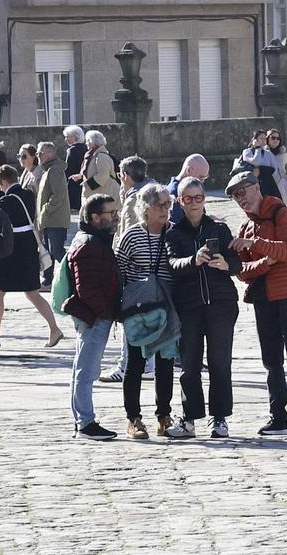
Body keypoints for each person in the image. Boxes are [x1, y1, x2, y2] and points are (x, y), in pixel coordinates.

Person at [227, 170, 287, 437]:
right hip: (263, 298)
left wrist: (256, 244)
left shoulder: (282, 214)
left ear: (256, 187)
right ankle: (278, 417)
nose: (240, 200)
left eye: (243, 192)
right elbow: (243, 271)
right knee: (272, 361)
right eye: (235, 197)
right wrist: (265, 262)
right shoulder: (246, 226)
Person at [164, 177, 241, 439]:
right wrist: (193, 261)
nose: (194, 203)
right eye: (188, 198)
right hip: (190, 307)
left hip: (221, 304)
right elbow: (172, 264)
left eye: (198, 198)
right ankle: (189, 419)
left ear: (204, 199)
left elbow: (237, 263)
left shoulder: (219, 228)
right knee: (190, 365)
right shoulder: (174, 233)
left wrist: (225, 265)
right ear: (180, 201)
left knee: (220, 363)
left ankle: (219, 419)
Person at [115, 183, 177, 440]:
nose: (166, 210)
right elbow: (118, 270)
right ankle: (133, 419)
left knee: (165, 362)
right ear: (146, 208)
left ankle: (164, 415)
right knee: (135, 364)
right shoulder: (132, 235)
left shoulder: (174, 233)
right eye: (161, 205)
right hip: (138, 310)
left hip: (166, 308)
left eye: (168, 205)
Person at [65, 193, 122, 441]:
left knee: (82, 368)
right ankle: (85, 423)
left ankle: (82, 420)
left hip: (94, 314)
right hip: (93, 316)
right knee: (86, 371)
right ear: (95, 218)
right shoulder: (89, 244)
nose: (116, 217)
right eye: (111, 214)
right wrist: (107, 313)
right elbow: (86, 289)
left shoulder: (95, 239)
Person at [0, 165, 64, 348]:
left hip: (11, 249)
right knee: (32, 292)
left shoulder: (7, 200)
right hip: (29, 245)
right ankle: (54, 328)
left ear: (3, 182)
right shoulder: (29, 194)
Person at [36, 141, 71, 289]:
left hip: (55, 219)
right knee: (48, 252)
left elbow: (58, 195)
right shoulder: (47, 170)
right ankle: (48, 280)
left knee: (56, 250)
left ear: (50, 154)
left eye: (40, 153)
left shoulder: (55, 170)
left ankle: (73, 274)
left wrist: (46, 209)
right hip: (48, 219)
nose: (38, 156)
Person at [74, 130, 119, 203]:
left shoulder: (101, 156)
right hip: (98, 192)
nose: (86, 143)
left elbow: (103, 175)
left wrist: (88, 184)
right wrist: (81, 176)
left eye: (88, 141)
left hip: (104, 193)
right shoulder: (93, 155)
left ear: (93, 142)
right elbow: (92, 171)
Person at [165, 154, 210, 224]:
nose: (203, 181)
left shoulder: (172, 189)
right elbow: (178, 224)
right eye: (201, 177)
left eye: (205, 178)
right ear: (189, 170)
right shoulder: (174, 193)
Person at [240, 129, 281, 199]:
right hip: (252, 184)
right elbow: (256, 162)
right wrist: (257, 148)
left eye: (265, 139)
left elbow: (275, 169)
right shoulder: (247, 152)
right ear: (255, 139)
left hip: (267, 184)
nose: (263, 141)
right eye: (261, 138)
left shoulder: (268, 154)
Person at [266, 129, 287, 204]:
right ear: (268, 139)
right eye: (273, 138)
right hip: (267, 185)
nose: (276, 140)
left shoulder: (284, 154)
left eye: (278, 138)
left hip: (281, 184)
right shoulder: (263, 153)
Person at [63, 125, 87, 212]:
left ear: (76, 137)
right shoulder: (86, 148)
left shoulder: (72, 150)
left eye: (68, 137)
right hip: (84, 182)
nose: (66, 139)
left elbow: (67, 168)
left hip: (73, 184)